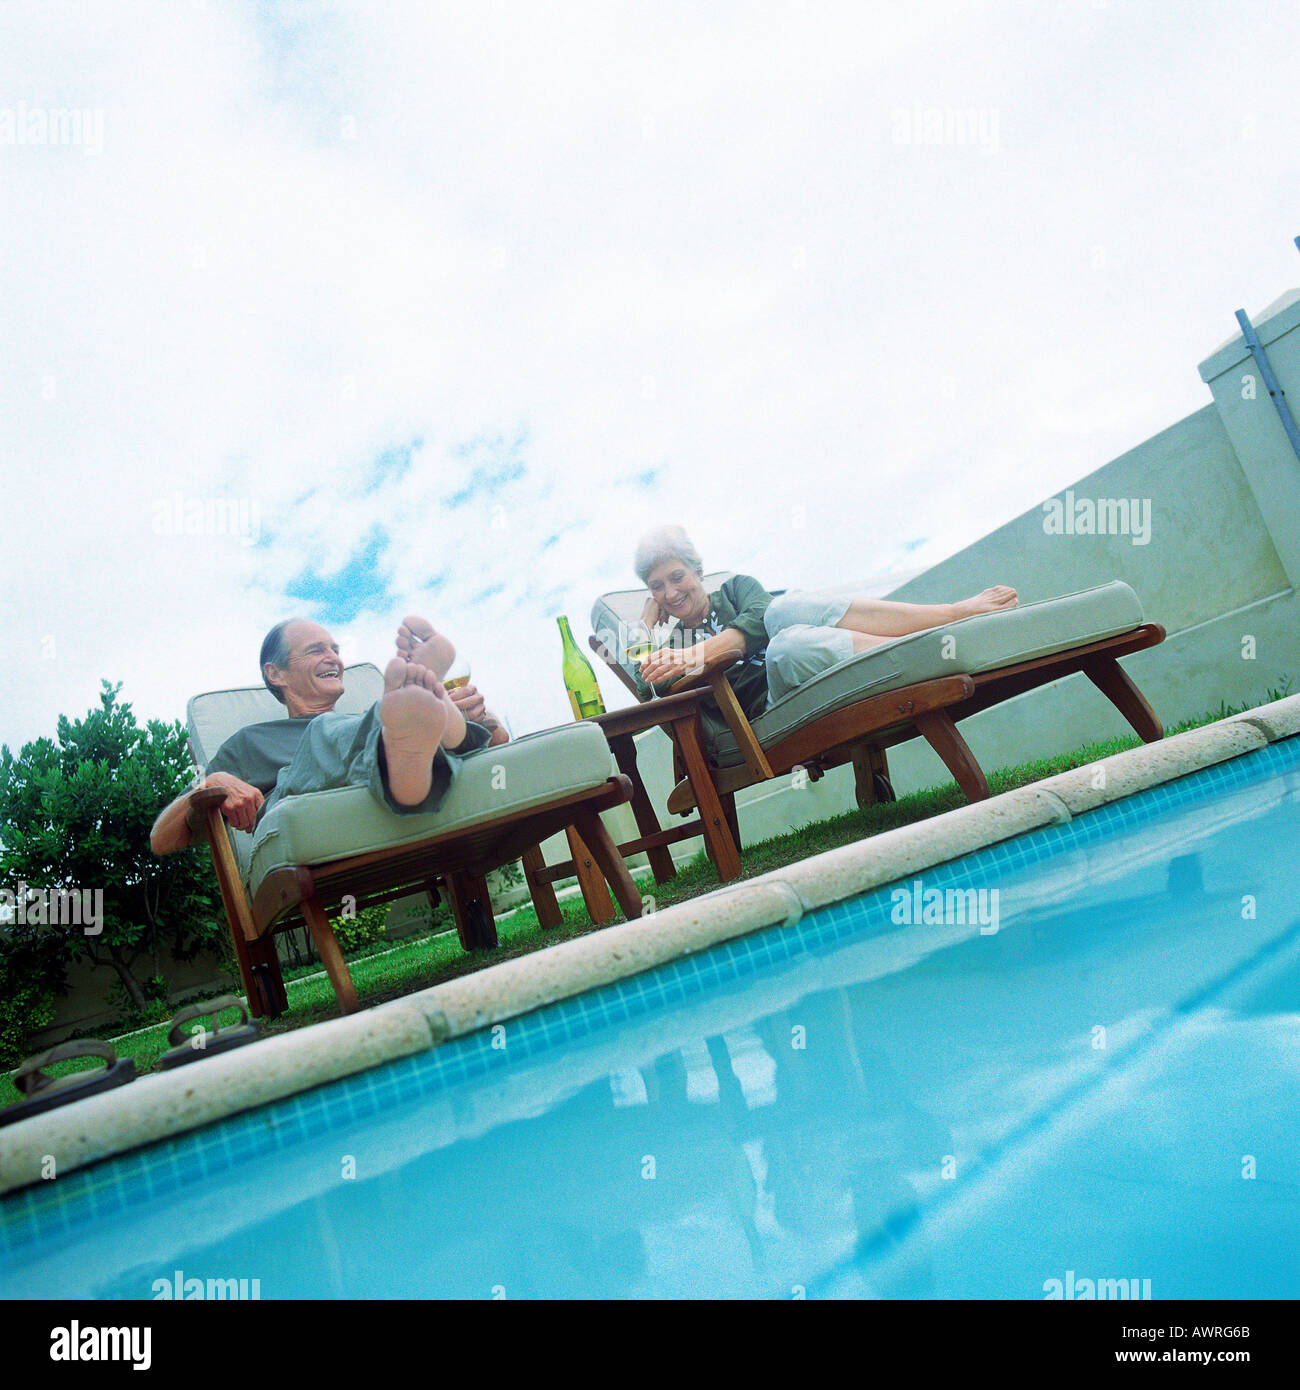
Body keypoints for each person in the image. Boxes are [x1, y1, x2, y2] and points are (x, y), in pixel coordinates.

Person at [150, 615, 509, 855]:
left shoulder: (367, 721)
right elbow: (161, 841)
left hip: (386, 762)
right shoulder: (250, 742)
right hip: (301, 801)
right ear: (276, 673)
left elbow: (501, 741)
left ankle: (448, 723)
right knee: (328, 730)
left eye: (336, 650)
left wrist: (480, 713)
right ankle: (432, 724)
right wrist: (212, 781)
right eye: (316, 650)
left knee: (368, 728)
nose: (334, 658)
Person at [630, 523, 1018, 742]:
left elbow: (762, 613)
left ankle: (947, 617)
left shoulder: (736, 589)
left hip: (815, 668)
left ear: (697, 571)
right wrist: (645, 625)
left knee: (784, 619)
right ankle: (930, 645)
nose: (670, 592)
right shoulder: (673, 644)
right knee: (782, 650)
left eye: (677, 577)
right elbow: (648, 687)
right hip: (769, 708)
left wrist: (700, 655)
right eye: (657, 587)